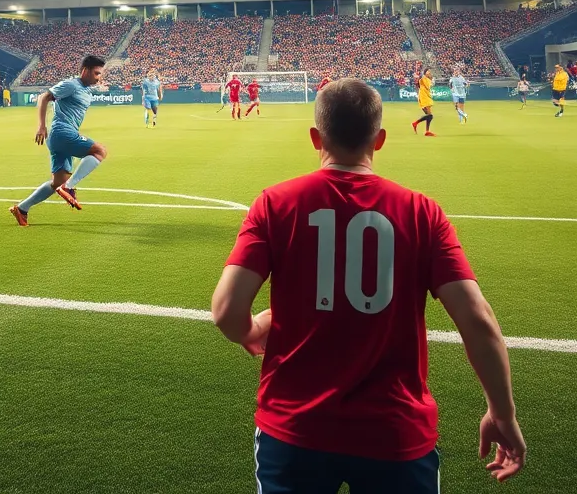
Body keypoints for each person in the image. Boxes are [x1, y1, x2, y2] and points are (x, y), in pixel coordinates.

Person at [211, 78, 525, 492]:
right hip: (394, 433)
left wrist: (251, 331)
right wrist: (501, 413)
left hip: (295, 428)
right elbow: (478, 321)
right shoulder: (422, 212)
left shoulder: (275, 203)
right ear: (379, 140)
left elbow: (225, 312)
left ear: (314, 138)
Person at [9, 55, 109, 226]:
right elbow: (44, 97)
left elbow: (83, 92)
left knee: (57, 182)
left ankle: (22, 208)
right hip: (61, 132)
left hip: (61, 136)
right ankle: (69, 187)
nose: (99, 77)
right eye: (96, 73)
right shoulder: (71, 84)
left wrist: (99, 85)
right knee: (100, 151)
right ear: (85, 71)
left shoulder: (85, 88)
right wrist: (41, 126)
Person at [411, 68, 435, 136]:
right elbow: (420, 78)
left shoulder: (428, 79)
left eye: (430, 71)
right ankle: (416, 123)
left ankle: (426, 131)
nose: (429, 72)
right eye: (428, 71)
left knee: (429, 116)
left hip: (427, 97)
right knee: (430, 115)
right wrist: (417, 75)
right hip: (424, 98)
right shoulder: (423, 78)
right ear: (425, 72)